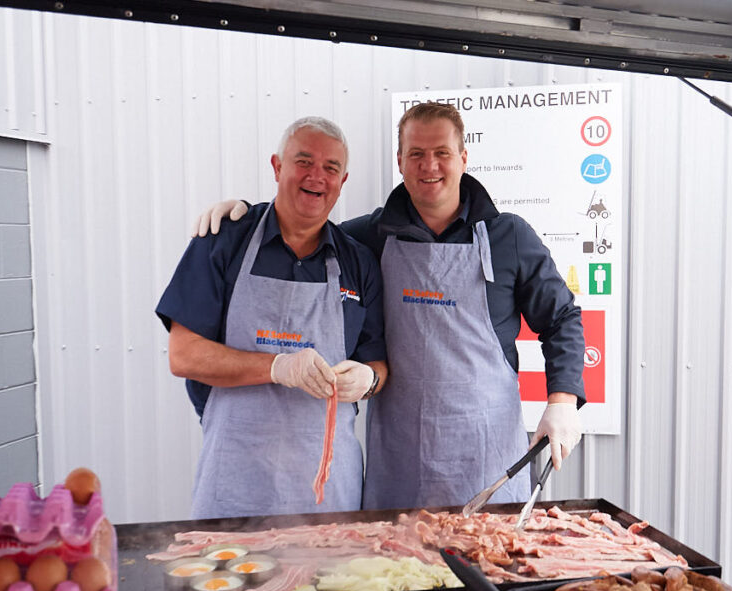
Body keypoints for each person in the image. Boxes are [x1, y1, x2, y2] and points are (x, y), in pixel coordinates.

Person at [198, 103, 584, 510]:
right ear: (400, 161)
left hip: (487, 460)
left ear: (463, 158)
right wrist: (243, 221)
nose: (429, 165)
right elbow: (299, 230)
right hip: (400, 463)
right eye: (416, 154)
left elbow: (561, 318)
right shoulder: (367, 237)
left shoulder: (510, 237)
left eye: (442, 153)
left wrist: (562, 401)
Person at [157, 117, 387, 519]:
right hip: (235, 482)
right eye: (304, 161)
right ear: (277, 166)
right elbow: (184, 355)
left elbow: (379, 363)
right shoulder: (225, 239)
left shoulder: (357, 261)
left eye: (331, 167)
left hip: (328, 491)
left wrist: (368, 381)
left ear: (343, 179)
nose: (317, 176)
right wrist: (278, 367)